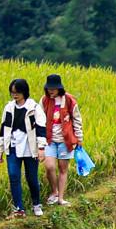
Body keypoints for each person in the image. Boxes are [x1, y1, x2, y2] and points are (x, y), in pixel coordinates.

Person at [0, 77, 45, 218]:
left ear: (24, 92)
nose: (14, 95)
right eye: (12, 93)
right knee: (13, 176)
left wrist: (41, 148)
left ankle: (36, 204)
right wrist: (0, 149)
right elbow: (3, 128)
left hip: (30, 147)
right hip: (13, 146)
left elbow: (41, 128)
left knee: (31, 177)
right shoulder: (9, 108)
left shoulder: (34, 108)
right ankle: (19, 208)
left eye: (17, 92)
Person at [40, 72, 84, 207]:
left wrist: (79, 138)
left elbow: (77, 119)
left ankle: (61, 198)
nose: (51, 91)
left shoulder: (70, 100)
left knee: (63, 169)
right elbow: (39, 119)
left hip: (66, 140)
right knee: (49, 167)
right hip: (49, 140)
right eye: (49, 89)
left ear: (59, 88)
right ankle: (54, 192)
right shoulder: (44, 100)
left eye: (53, 89)